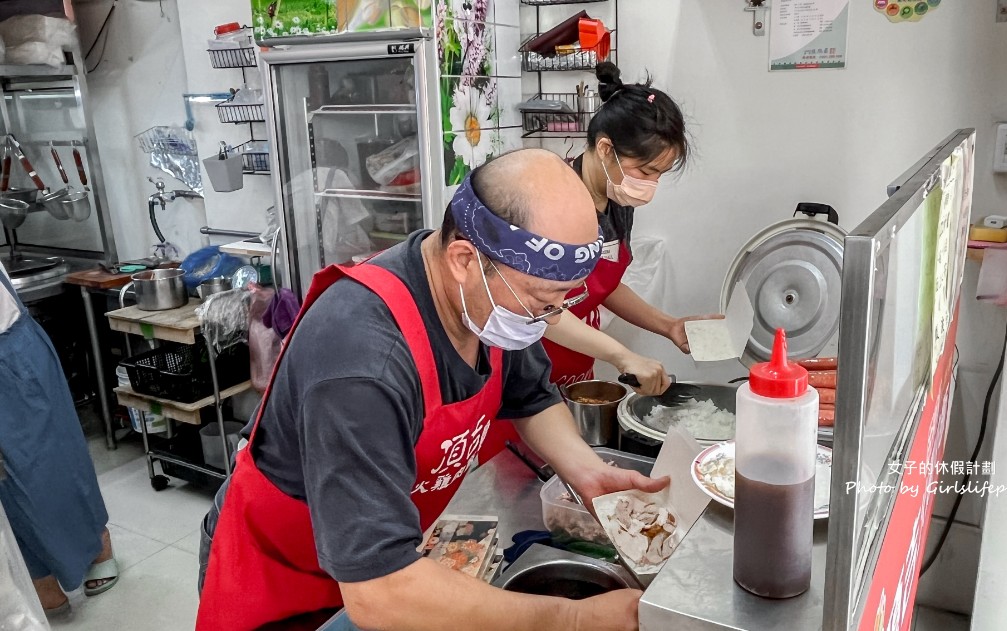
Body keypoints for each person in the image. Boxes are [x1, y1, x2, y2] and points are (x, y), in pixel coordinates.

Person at [197, 148, 667, 631]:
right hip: (281, 578)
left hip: (380, 558)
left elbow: (531, 395)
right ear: (463, 258)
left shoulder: (482, 296)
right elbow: (380, 593)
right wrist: (570, 620)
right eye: (543, 300)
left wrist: (584, 471)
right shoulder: (363, 361)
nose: (549, 316)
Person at [541, 62, 721, 396]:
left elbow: (603, 285)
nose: (651, 185)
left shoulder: (617, 202)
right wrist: (622, 356)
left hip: (575, 365)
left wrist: (669, 326)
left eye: (660, 175)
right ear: (606, 149)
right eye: (645, 170)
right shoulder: (555, 204)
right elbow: (540, 311)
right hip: (526, 367)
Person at [0, 261, 119, 618]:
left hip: (11, 356)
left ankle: (98, 545)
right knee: (7, 489)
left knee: (50, 462)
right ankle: (40, 579)